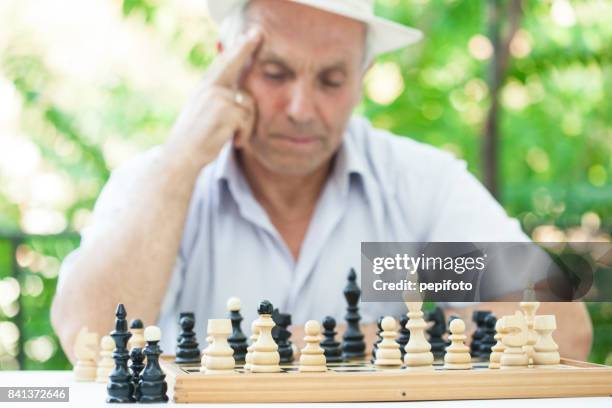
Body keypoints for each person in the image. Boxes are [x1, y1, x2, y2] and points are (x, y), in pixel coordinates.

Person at [51, 0, 592, 361]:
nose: (300, 107)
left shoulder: (420, 183)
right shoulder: (158, 178)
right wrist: (179, 166)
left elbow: (566, 334)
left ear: (361, 81)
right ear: (225, 65)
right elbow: (88, 340)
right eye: (275, 73)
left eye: (331, 79)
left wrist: (413, 264)